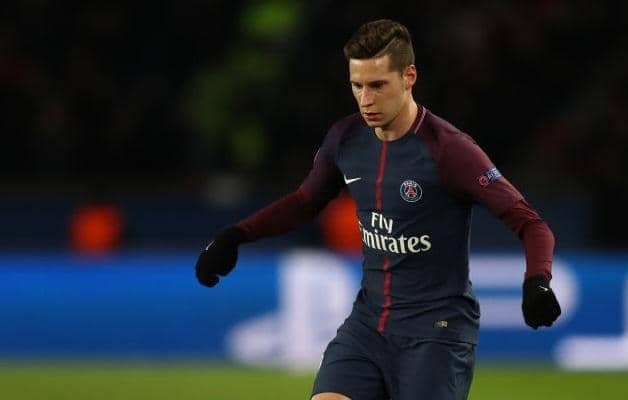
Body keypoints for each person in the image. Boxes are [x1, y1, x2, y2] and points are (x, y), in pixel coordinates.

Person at [195, 19, 561, 400]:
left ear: (409, 77)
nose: (365, 99)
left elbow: (532, 224)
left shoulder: (450, 150)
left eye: (377, 85)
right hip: (368, 327)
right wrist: (236, 235)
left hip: (436, 333)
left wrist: (537, 281)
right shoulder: (346, 138)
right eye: (357, 86)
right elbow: (304, 202)